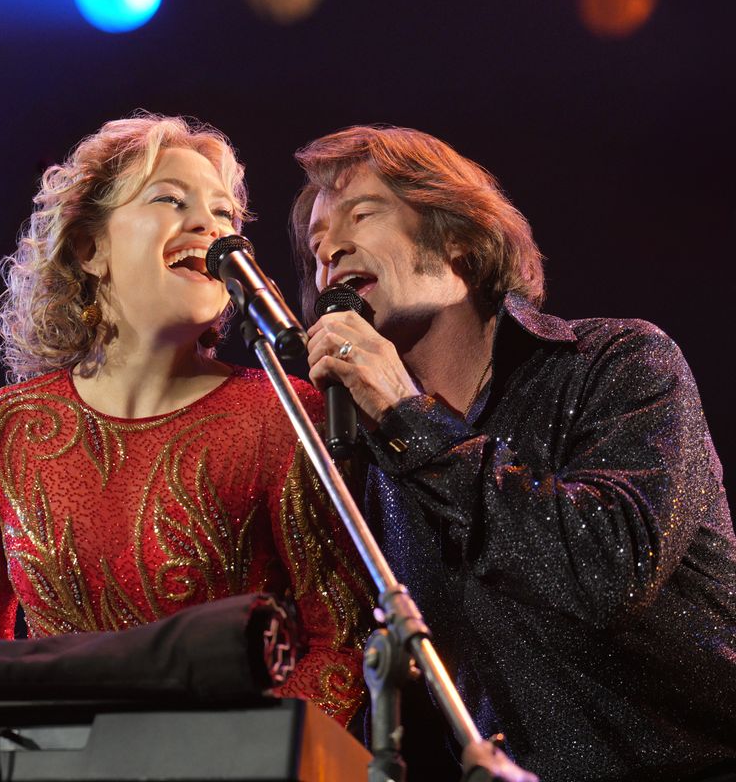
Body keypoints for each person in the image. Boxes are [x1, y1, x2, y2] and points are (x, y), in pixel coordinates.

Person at [294, 125, 736, 781]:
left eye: (362, 214)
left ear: (460, 241)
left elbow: (607, 569)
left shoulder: (619, 364)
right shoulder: (376, 456)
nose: (331, 248)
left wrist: (409, 416)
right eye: (316, 245)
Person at [0, 114, 373, 722]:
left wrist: (242, 759)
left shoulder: (284, 413)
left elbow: (342, 640)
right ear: (90, 249)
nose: (210, 226)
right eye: (170, 199)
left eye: (225, 214)